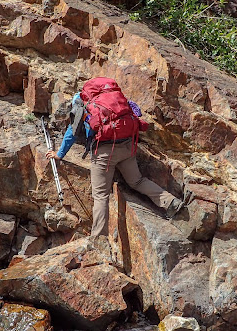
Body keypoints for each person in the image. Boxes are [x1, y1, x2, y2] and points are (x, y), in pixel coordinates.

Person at [46, 93, 183, 237]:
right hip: (127, 146)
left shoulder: (83, 106)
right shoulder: (112, 100)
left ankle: (99, 238)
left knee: (100, 195)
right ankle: (170, 202)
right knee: (137, 181)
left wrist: (59, 154)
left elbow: (72, 133)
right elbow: (136, 112)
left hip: (105, 153)